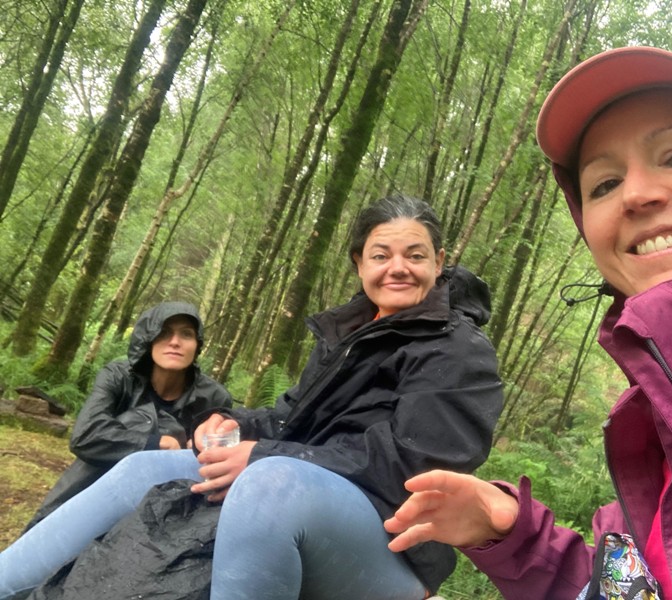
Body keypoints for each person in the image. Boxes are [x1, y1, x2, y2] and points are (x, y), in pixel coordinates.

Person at [384, 46, 672, 599]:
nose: (637, 194)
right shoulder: (657, 424)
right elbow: (633, 590)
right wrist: (513, 533)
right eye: (603, 185)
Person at [0, 194, 504, 600]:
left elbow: (415, 465)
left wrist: (264, 455)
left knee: (269, 485)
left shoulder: (459, 349)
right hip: (303, 480)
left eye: (415, 256)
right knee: (143, 469)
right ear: (359, 263)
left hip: (392, 543)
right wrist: (231, 424)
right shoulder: (349, 334)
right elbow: (290, 419)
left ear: (439, 263)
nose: (398, 268)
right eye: (381, 255)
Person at [23, 300, 233, 531]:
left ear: (197, 345)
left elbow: (219, 461)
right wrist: (158, 443)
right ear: (148, 338)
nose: (175, 342)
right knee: (138, 422)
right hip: (98, 484)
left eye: (186, 334)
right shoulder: (119, 376)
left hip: (165, 501)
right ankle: (50, 527)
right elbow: (85, 436)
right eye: (164, 332)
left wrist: (193, 451)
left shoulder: (215, 398)